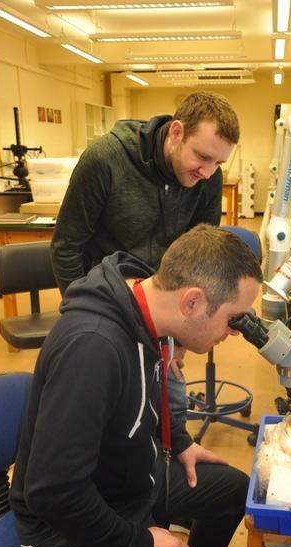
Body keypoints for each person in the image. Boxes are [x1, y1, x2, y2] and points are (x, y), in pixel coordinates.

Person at [11, 225, 262, 547]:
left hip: (123, 479)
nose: (236, 331)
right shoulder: (93, 348)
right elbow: (52, 492)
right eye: (232, 318)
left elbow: (144, 392)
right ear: (193, 302)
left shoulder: (146, 304)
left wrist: (178, 441)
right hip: (63, 523)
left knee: (233, 489)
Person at [50, 90, 242, 472]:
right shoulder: (105, 160)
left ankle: (163, 489)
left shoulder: (208, 177)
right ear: (175, 133)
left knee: (170, 405)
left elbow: (199, 258)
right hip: (106, 309)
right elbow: (66, 247)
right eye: (201, 156)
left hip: (164, 310)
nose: (207, 172)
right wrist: (81, 316)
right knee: (111, 423)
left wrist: (185, 334)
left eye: (218, 162)